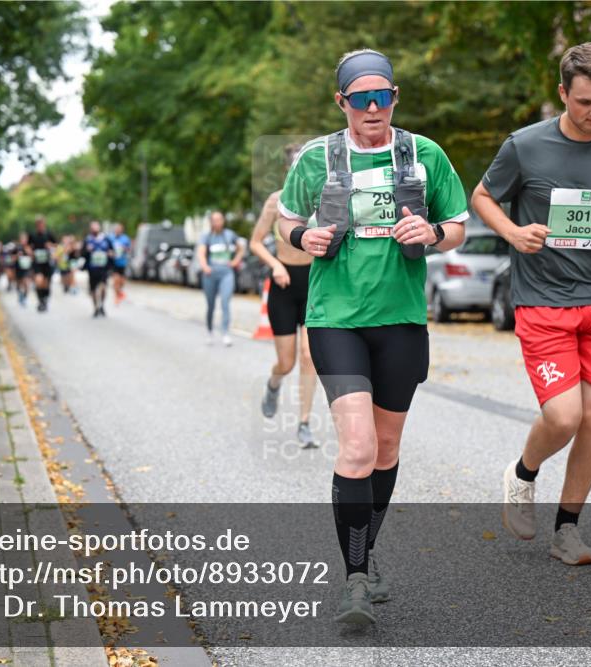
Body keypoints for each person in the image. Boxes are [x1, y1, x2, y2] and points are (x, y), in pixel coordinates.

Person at [277, 49, 468, 624]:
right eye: (360, 99)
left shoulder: (424, 155)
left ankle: (366, 551)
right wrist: (303, 237)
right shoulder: (318, 158)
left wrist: (432, 233)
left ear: (394, 97)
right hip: (335, 318)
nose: (371, 109)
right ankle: (355, 580)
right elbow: (287, 221)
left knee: (385, 449)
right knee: (358, 447)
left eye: (381, 97)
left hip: (401, 320)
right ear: (342, 103)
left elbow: (457, 227)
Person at [471, 42, 591, 566]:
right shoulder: (524, 146)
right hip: (544, 301)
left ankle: (568, 530)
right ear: (562, 93)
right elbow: (482, 197)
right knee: (563, 417)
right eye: (584, 102)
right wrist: (514, 232)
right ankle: (522, 473)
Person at [249, 144, 319, 448]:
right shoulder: (275, 201)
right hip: (284, 285)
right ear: (287, 170)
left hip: (315, 283)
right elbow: (255, 242)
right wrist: (276, 265)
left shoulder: (323, 201)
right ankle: (274, 382)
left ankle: (304, 423)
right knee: (287, 362)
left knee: (309, 356)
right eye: (295, 169)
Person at [197, 211, 244, 347]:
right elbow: (201, 253)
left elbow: (241, 249)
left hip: (226, 273)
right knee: (211, 305)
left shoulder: (230, 235)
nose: (217, 222)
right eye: (214, 220)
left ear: (223, 221)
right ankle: (210, 331)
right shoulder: (206, 237)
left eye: (219, 219)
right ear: (211, 222)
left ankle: (225, 333)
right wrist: (205, 266)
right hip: (210, 274)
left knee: (225, 302)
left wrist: (235, 261)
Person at [82, 221, 114, 317]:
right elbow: (82, 253)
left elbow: (112, 251)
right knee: (93, 289)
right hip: (92, 269)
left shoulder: (106, 239)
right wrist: (87, 250)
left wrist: (110, 254)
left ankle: (102, 305)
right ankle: (95, 307)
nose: (94, 229)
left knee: (103, 287)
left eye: (96, 227)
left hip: (103, 268)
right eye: (93, 227)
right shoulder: (88, 240)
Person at [28, 217, 57, 312]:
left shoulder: (49, 234)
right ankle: (40, 300)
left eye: (42, 224)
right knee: (38, 281)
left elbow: (56, 245)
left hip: (47, 262)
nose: (40, 226)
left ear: (44, 224)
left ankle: (45, 299)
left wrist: (50, 246)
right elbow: (28, 246)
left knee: (46, 283)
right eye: (38, 224)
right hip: (37, 262)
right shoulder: (32, 235)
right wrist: (30, 252)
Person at [109, 223, 131, 304]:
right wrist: (110, 253)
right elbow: (107, 248)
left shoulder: (125, 239)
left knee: (122, 282)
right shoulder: (110, 238)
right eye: (116, 229)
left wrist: (125, 248)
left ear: (122, 230)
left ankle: (119, 292)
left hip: (122, 262)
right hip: (114, 262)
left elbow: (129, 249)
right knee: (116, 280)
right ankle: (116, 297)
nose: (118, 230)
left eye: (119, 229)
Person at [14, 233, 33, 307]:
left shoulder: (29, 247)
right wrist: (17, 256)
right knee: (19, 283)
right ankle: (20, 295)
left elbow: (33, 257)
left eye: (25, 239)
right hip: (18, 268)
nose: (23, 240)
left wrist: (29, 252)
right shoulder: (17, 247)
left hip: (27, 268)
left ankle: (25, 297)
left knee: (26, 283)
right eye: (22, 239)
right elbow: (12, 258)